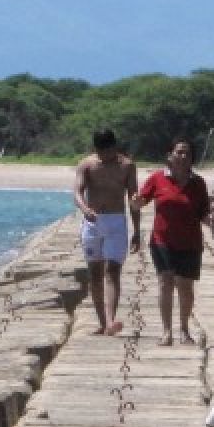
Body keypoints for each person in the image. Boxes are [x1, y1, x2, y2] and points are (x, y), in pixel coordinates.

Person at [132, 139, 210, 346]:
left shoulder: (198, 183)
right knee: (165, 282)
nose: (183, 156)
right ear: (169, 156)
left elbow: (204, 213)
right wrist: (136, 202)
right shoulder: (157, 178)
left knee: (185, 286)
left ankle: (184, 329)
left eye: (187, 153)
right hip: (162, 239)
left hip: (190, 241)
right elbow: (141, 201)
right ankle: (166, 331)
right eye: (179, 152)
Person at [73, 128, 140, 335]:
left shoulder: (127, 166)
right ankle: (102, 322)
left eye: (108, 150)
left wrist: (137, 230)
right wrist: (85, 209)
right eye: (101, 151)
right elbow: (77, 191)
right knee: (95, 274)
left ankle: (111, 321)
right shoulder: (87, 164)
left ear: (115, 147)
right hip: (93, 222)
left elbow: (133, 199)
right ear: (96, 149)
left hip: (116, 221)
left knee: (112, 271)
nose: (105, 155)